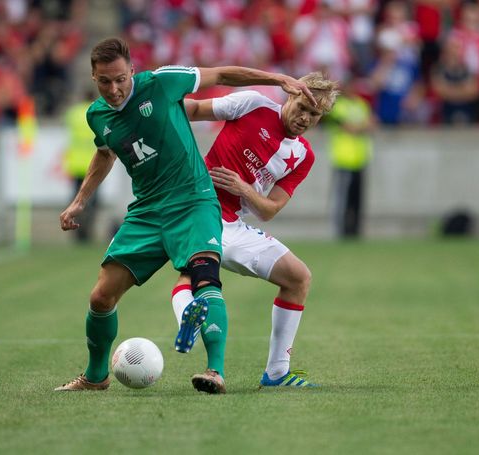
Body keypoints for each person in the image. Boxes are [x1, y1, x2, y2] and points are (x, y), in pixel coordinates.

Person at [54, 37, 317, 394]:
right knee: (101, 298)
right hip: (147, 210)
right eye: (104, 81)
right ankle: (96, 376)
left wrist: (277, 79)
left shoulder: (163, 81)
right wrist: (80, 200)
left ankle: (215, 371)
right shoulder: (96, 115)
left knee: (204, 278)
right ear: (93, 78)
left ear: (133, 70)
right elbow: (105, 154)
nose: (113, 89)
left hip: (194, 199)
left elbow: (223, 72)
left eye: (120, 79)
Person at [170, 72, 339, 389]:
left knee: (298, 277)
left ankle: (276, 372)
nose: (305, 118)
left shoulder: (303, 155)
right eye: (302, 107)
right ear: (291, 96)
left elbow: (269, 210)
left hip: (233, 222)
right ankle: (189, 321)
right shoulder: (252, 104)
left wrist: (243, 188)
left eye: (314, 114)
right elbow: (192, 111)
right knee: (194, 273)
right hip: (198, 207)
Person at [325, 78, 375, 238]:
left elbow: (372, 124)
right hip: (343, 159)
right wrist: (361, 125)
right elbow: (350, 127)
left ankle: (355, 232)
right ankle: (340, 232)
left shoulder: (361, 104)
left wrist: (359, 126)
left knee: (357, 200)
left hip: (360, 159)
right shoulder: (337, 106)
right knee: (342, 200)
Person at [63, 90, 99, 243]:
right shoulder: (97, 112)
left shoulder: (73, 113)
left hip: (76, 163)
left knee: (76, 198)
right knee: (93, 199)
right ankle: (87, 230)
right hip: (94, 165)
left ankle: (75, 228)